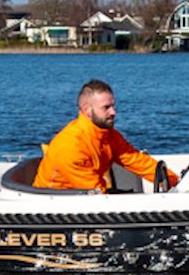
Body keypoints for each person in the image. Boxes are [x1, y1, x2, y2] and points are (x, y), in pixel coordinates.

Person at [34, 79, 178, 192]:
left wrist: (175, 182)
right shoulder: (71, 146)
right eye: (106, 108)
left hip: (85, 199)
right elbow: (95, 195)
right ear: (87, 110)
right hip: (55, 211)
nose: (113, 112)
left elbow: (136, 160)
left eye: (113, 106)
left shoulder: (108, 135)